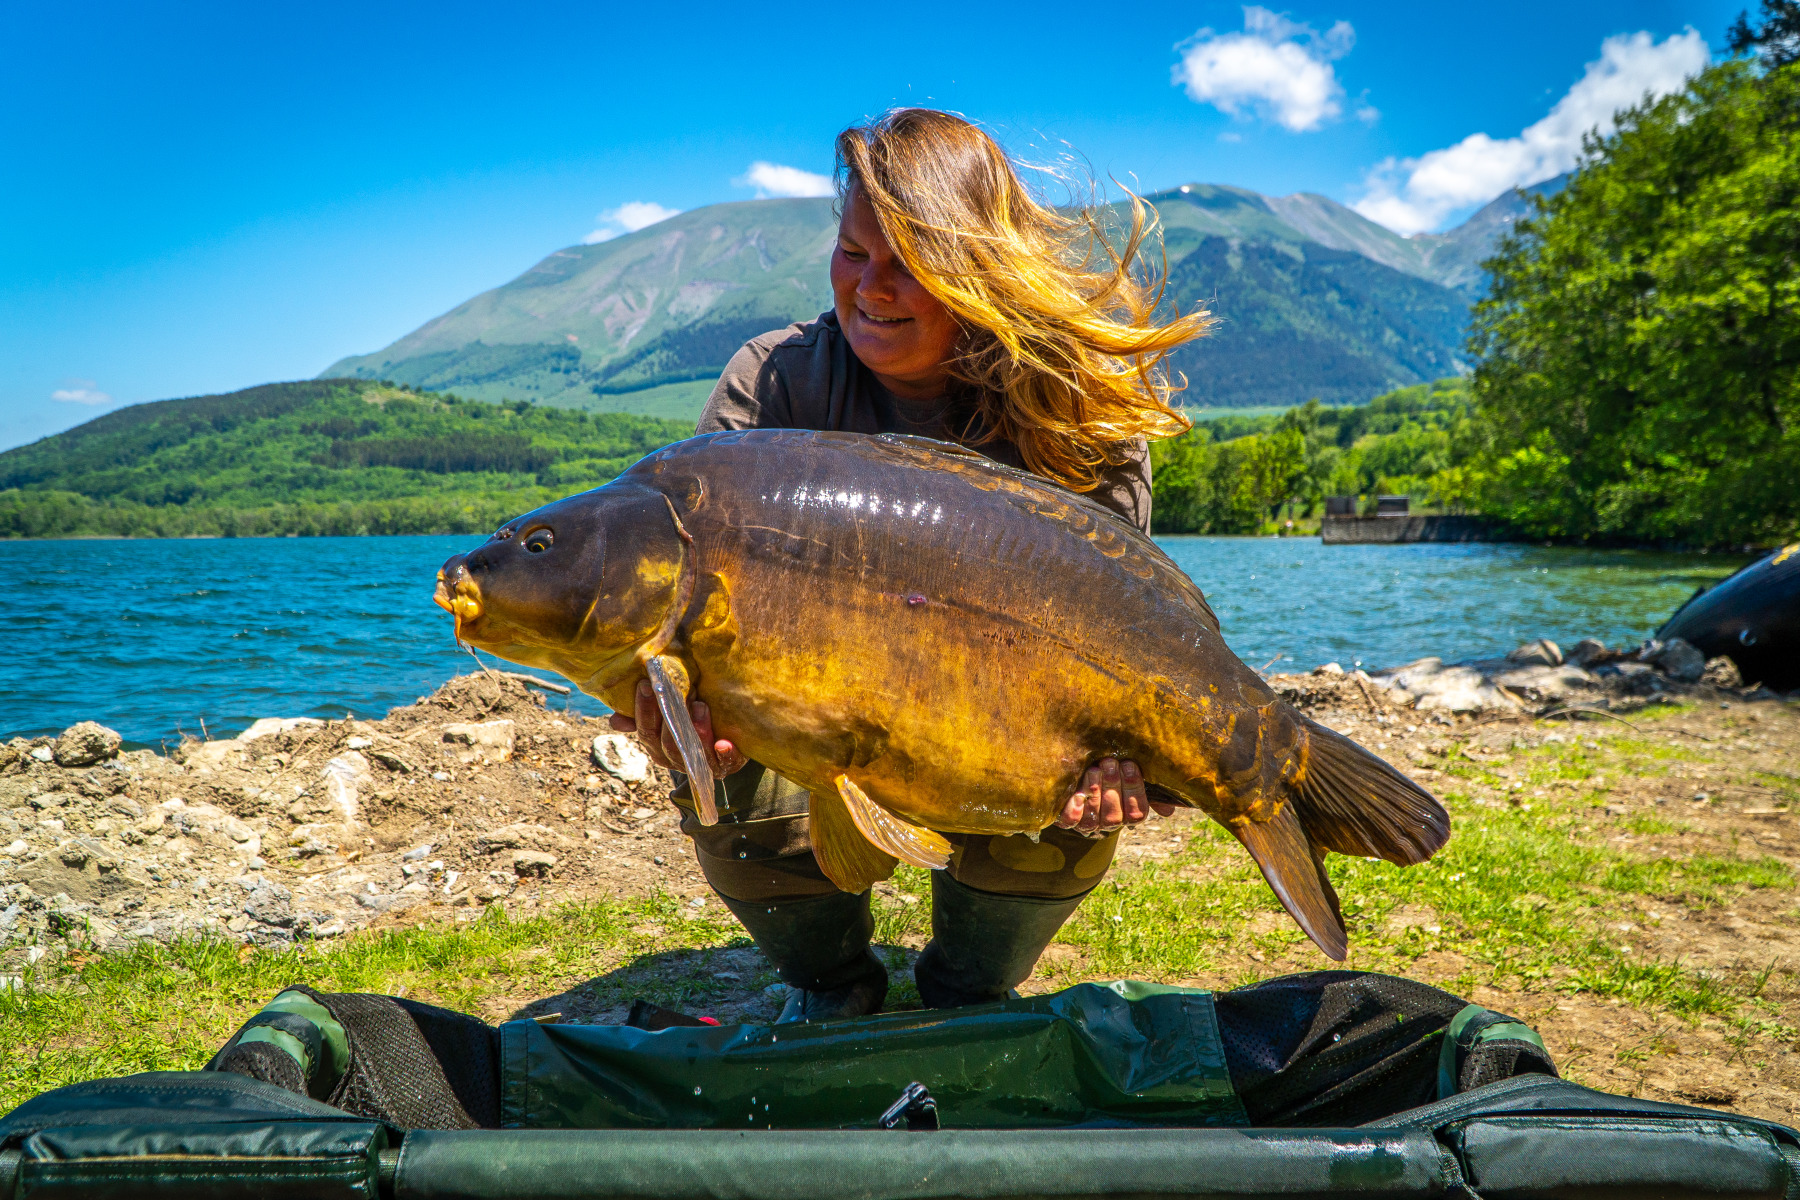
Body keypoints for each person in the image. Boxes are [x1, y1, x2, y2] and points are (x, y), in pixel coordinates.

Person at [610, 108, 1211, 1022]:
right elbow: (684, 605)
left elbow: (1129, 637)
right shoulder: (774, 385)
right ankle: (830, 990)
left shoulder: (1082, 416)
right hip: (819, 724)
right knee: (724, 766)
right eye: (853, 253)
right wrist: (669, 702)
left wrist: (1126, 760)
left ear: (977, 271)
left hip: (1006, 738)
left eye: (908, 265)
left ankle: (968, 993)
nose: (871, 289)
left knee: (1067, 809)